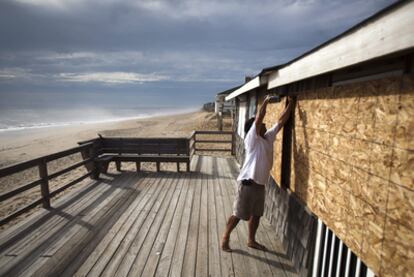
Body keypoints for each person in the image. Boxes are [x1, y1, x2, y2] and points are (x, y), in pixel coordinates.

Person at [221, 95, 293, 252]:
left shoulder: (267, 138)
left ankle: (251, 240)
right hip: (247, 184)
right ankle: (225, 238)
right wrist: (266, 100)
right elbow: (259, 118)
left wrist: (291, 103)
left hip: (260, 185)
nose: (265, 124)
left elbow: (281, 121)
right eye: (261, 124)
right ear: (255, 128)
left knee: (256, 215)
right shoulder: (251, 139)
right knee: (238, 214)